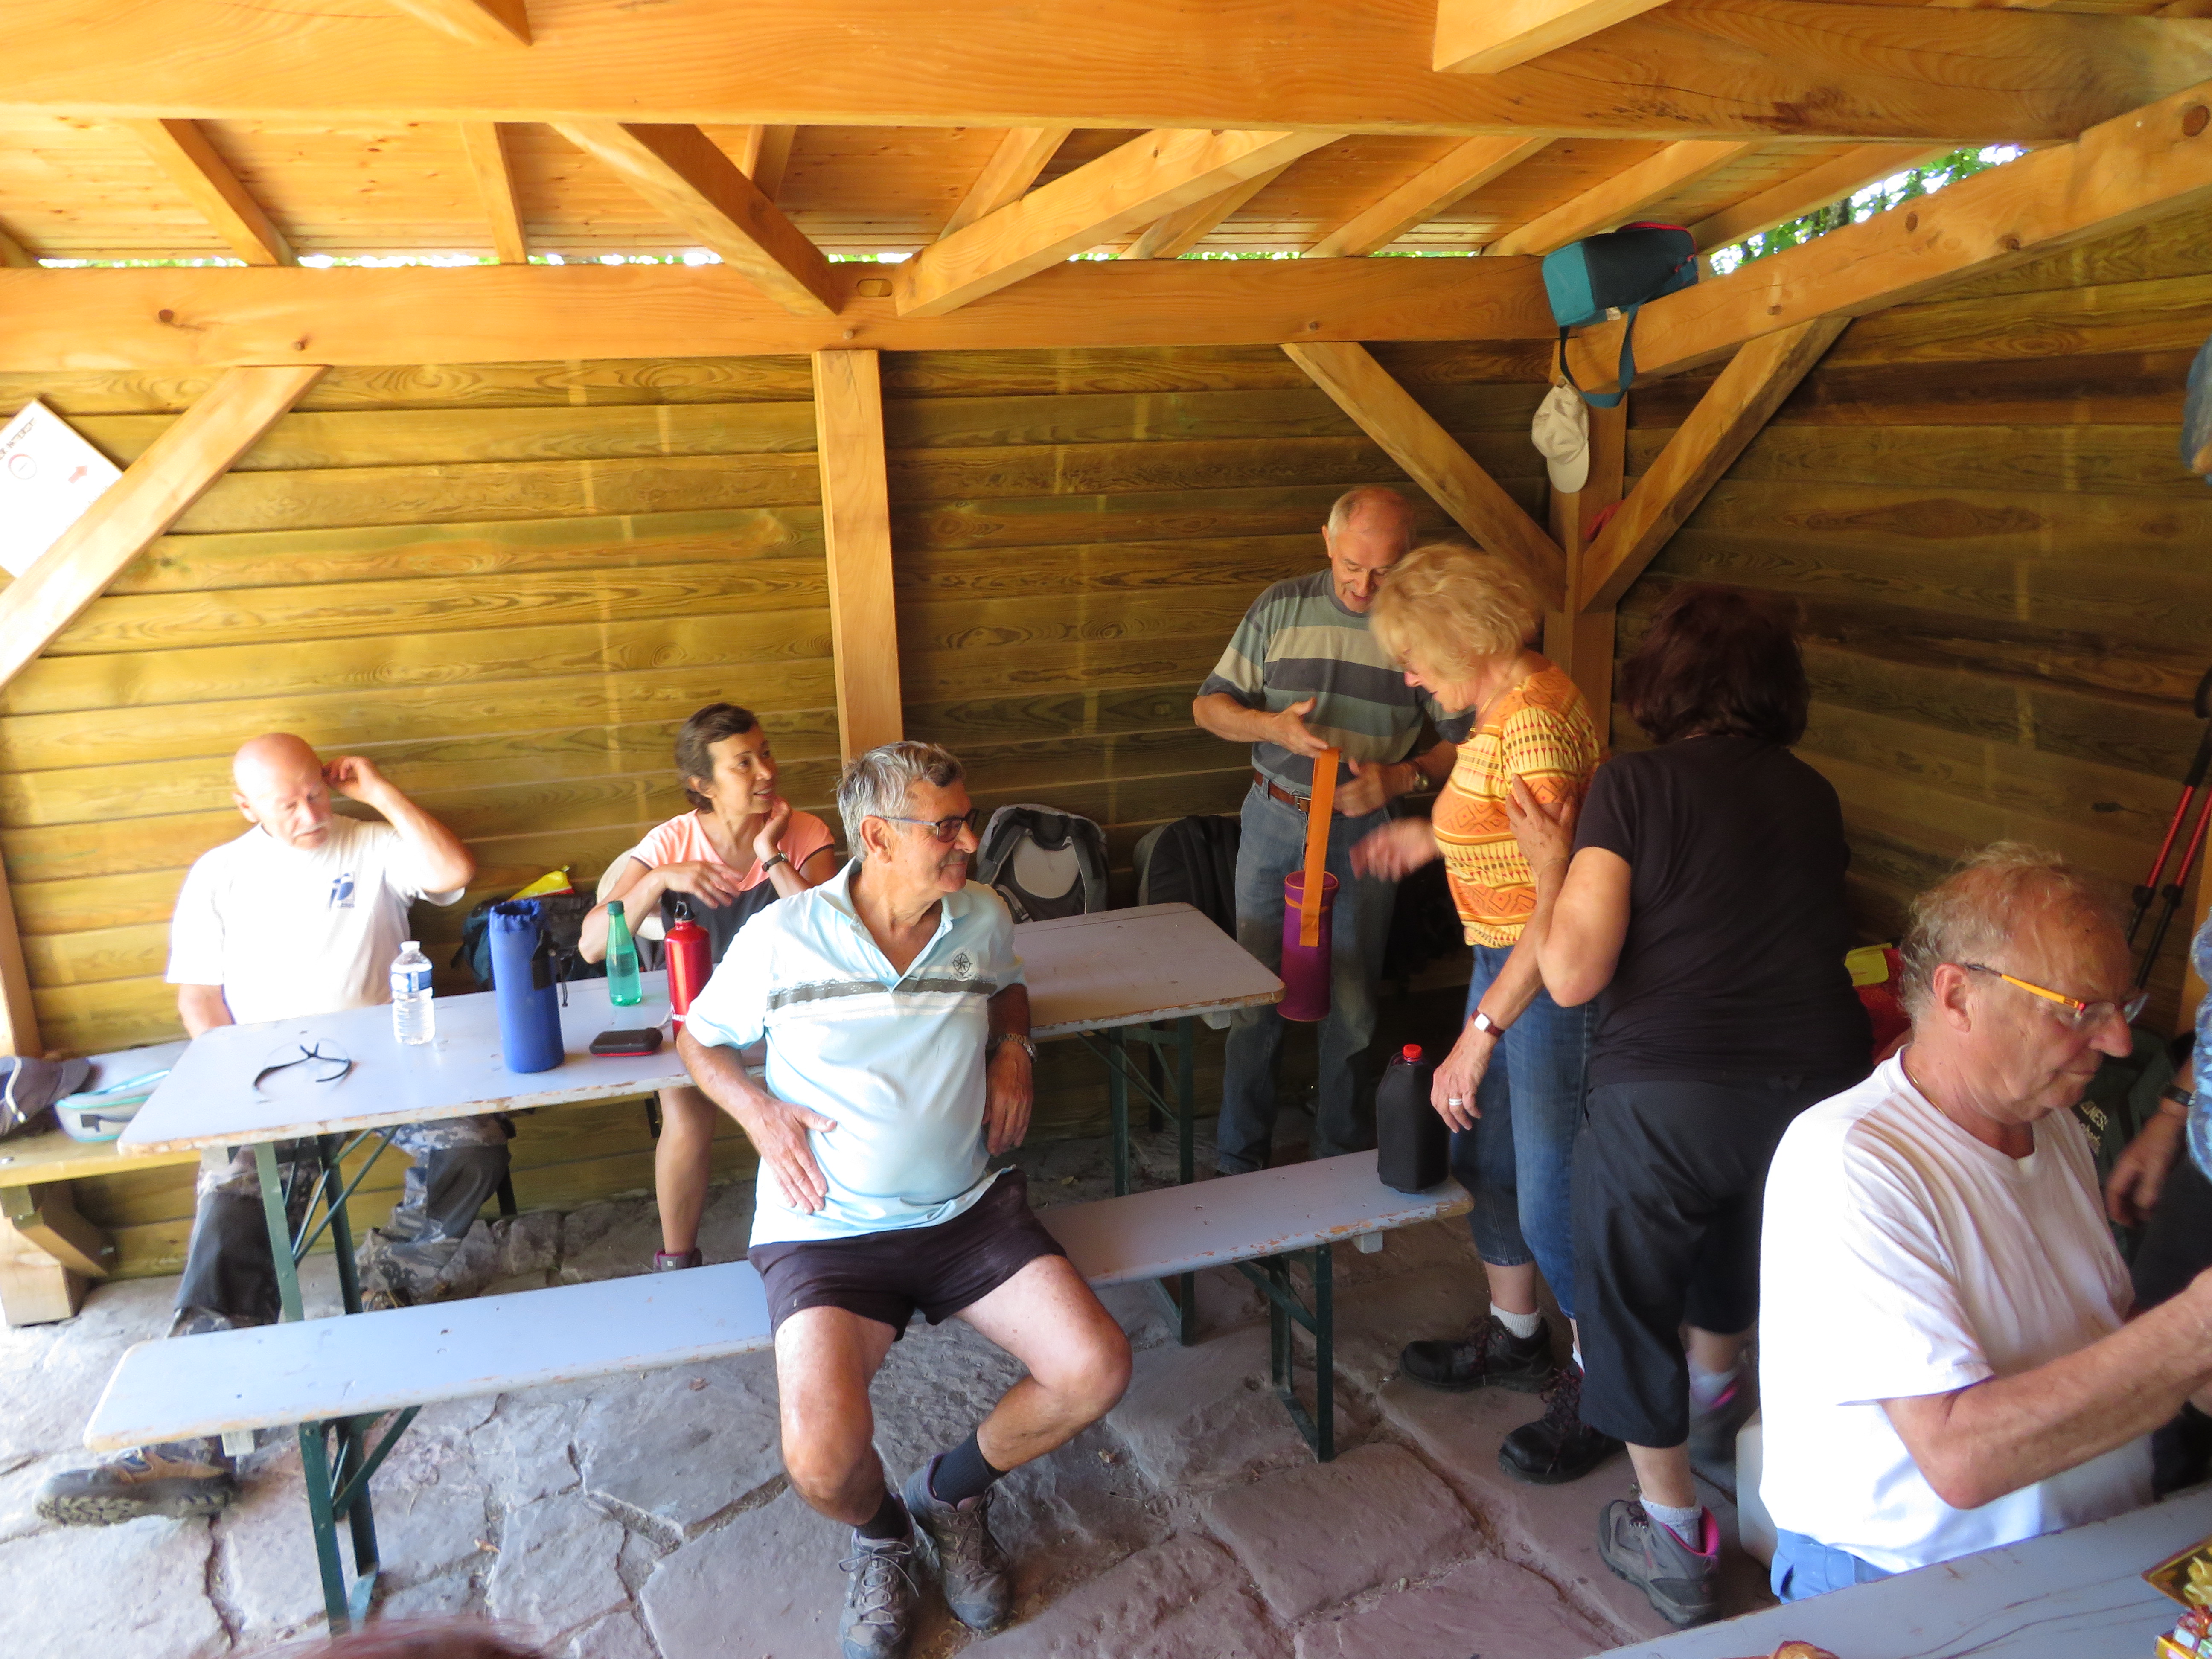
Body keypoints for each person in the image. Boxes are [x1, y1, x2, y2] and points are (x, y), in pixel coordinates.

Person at [676, 741, 1132, 1659]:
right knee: (820, 1460)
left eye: (968, 821)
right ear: (878, 838)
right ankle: (884, 1533)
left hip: (966, 1210)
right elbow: (697, 1039)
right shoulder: (783, 936)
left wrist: (1014, 1049)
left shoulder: (980, 915)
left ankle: (948, 1493)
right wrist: (759, 1114)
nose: (969, 842)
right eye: (947, 827)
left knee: (1095, 1368)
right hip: (828, 1228)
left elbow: (1009, 987)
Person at [1505, 585, 1870, 1626]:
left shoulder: (1633, 785)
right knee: (1742, 1227)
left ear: (1663, 684)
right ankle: (1715, 1405)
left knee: (1624, 1282)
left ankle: (1671, 1535)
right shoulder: (1812, 792)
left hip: (1667, 1089)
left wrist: (1550, 869)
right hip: (1820, 1089)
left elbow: (1572, 974)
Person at [38, 733, 496, 1526]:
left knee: (474, 1144)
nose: (310, 815)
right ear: (245, 806)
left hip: (388, 1067)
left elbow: (453, 871)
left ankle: (391, 1288)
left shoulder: (372, 842)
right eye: (286, 805)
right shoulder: (220, 874)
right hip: (269, 1081)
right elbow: (198, 998)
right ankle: (187, 1441)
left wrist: (377, 791)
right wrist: (237, 1082)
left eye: (317, 794)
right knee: (234, 1221)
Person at [1756, 844, 2212, 1600]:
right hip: (1916, 1588)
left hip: (2084, 1553)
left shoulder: (2048, 1120)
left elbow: (2093, 1329)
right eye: (2080, 1012)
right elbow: (1961, 1458)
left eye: (2122, 1008)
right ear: (1959, 997)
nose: (2121, 1043)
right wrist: (2192, 1332)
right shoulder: (1852, 1158)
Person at [1349, 543, 1599, 1397]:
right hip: (1501, 959)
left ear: (1465, 638)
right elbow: (1511, 831)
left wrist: (1481, 1033)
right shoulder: (1502, 706)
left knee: (1552, 1192)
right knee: (1488, 1155)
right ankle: (1518, 1336)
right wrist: (1435, 838)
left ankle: (1601, 1386)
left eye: (1416, 658)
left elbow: (1558, 900)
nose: (1411, 677)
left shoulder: (1532, 723)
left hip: (1543, 981)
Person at [1193, 485, 1470, 1175]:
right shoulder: (1280, 606)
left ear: (1410, 555)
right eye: (1352, 566)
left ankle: (1338, 1159)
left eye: (1384, 571)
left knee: (1352, 1004)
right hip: (1274, 814)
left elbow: (1469, 741)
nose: (1365, 587)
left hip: (1365, 828)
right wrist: (1272, 726)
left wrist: (1402, 779)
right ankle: (1238, 1161)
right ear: (1327, 540)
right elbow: (1209, 707)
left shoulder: (1422, 628)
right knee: (1253, 995)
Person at [579, 703, 839, 1270]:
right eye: (743, 763)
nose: (766, 772)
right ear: (704, 785)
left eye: (765, 753)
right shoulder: (671, 841)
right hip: (700, 1015)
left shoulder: (804, 832)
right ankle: (677, 1261)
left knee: (819, 1094)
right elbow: (593, 944)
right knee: (687, 1110)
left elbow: (832, 937)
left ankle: (828, 1249)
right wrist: (658, 879)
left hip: (789, 1012)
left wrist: (772, 855)